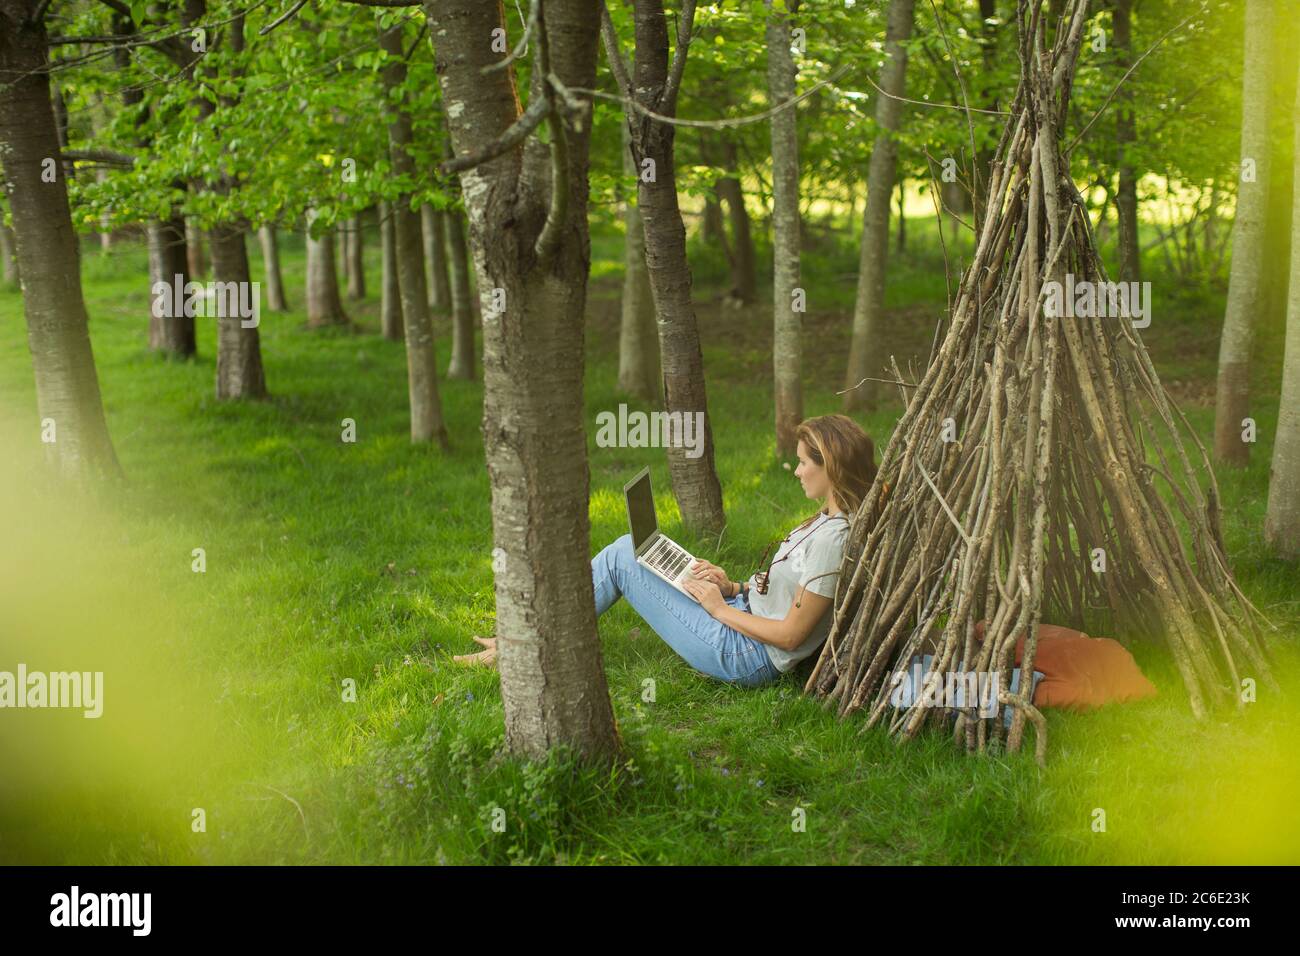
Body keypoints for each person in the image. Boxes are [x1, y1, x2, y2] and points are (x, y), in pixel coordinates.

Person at [455, 414, 878, 687]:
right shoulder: (827, 521)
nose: (798, 470)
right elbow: (792, 594)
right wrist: (730, 584)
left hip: (746, 655)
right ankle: (526, 639)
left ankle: (524, 645)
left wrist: (719, 609)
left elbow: (790, 635)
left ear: (833, 468)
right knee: (636, 550)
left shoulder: (832, 540)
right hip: (743, 612)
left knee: (624, 556)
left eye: (806, 462)